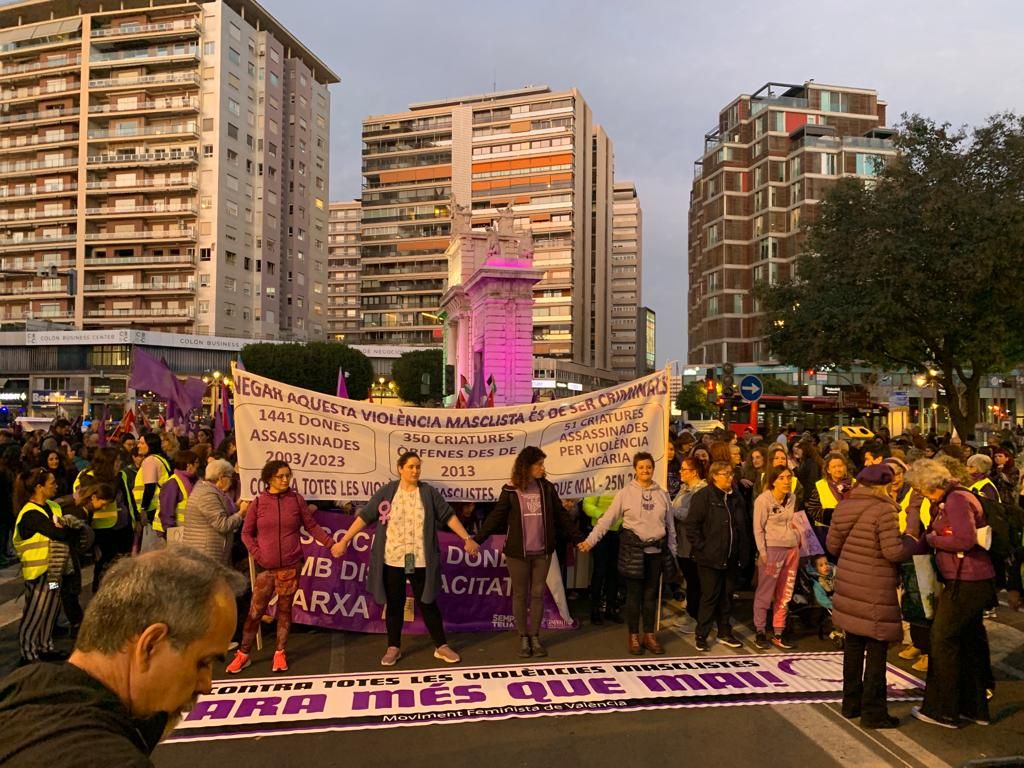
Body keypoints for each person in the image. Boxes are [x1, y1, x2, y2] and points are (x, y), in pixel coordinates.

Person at [0, 548, 243, 767]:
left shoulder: (20, 689)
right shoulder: (108, 759)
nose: (206, 685)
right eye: (203, 662)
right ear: (149, 646)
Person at [337, 452, 476, 665]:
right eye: (411, 466)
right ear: (400, 468)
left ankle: (441, 646)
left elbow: (448, 516)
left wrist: (466, 538)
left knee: (427, 601)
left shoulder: (428, 492)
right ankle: (394, 647)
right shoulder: (388, 492)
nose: (415, 470)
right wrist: (344, 540)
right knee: (395, 603)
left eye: (418, 467)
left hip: (419, 559)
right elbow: (365, 516)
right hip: (393, 558)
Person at [228, 460, 343, 674]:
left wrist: (331, 545)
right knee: (255, 611)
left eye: (288, 476)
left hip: (290, 566)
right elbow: (246, 533)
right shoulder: (258, 503)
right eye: (281, 476)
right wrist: (258, 553)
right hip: (266, 568)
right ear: (269, 478)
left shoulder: (296, 500)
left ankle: (279, 653)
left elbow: (312, 526)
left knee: (284, 611)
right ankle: (243, 654)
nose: (285, 480)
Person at [905, 459, 996, 729]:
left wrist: (933, 540)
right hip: (969, 579)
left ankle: (943, 710)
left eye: (918, 487)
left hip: (966, 580)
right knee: (967, 642)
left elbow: (965, 539)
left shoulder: (956, 500)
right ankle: (974, 708)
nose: (918, 492)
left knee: (942, 639)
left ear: (927, 484)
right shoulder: (954, 498)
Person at [827, 463, 915, 729]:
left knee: (853, 646)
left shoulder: (844, 506)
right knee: (876, 650)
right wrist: (911, 540)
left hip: (849, 583)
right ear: (884, 485)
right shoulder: (885, 510)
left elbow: (832, 546)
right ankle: (873, 712)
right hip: (875, 586)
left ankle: (850, 703)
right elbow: (892, 552)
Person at [476, 446, 583, 659]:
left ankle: (535, 636)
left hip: (542, 552)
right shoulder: (510, 490)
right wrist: (477, 540)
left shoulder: (547, 488)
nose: (543, 468)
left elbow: (562, 516)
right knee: (520, 594)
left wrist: (579, 539)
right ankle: (523, 637)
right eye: (539, 464)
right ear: (527, 466)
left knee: (537, 594)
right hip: (517, 553)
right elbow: (496, 517)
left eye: (543, 464)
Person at [581, 452, 675, 655]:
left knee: (651, 595)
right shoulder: (625, 493)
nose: (645, 470)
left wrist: (674, 553)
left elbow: (670, 526)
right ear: (635, 469)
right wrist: (590, 541)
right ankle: (633, 636)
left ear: (653, 468)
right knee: (634, 595)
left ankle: (649, 635)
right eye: (641, 467)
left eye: (648, 467)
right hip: (634, 552)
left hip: (656, 552)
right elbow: (606, 520)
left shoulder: (662, 494)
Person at [12, 468, 81, 664]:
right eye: (51, 483)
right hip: (39, 574)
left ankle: (44, 646)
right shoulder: (30, 513)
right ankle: (28, 652)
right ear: (39, 487)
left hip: (54, 574)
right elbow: (59, 533)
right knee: (37, 611)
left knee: (51, 607)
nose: (56, 485)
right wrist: (67, 529)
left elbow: (64, 530)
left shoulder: (50, 507)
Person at [684, 460, 750, 652]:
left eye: (731, 474)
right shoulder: (703, 497)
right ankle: (701, 634)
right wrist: (703, 548)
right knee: (710, 596)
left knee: (727, 596)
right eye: (725, 474)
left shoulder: (735, 497)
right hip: (709, 558)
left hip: (730, 556)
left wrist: (743, 553)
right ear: (714, 476)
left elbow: (742, 526)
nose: (730, 477)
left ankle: (724, 631)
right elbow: (692, 526)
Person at [752, 465, 802, 650]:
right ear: (773, 480)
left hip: (791, 550)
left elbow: (793, 522)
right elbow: (758, 528)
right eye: (782, 478)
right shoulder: (763, 500)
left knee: (785, 593)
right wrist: (762, 552)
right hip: (772, 550)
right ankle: (760, 630)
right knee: (765, 592)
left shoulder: (792, 498)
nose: (787, 481)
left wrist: (797, 540)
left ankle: (779, 631)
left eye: (788, 477)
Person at [74, 446, 135, 591]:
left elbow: (128, 498)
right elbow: (106, 495)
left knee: (123, 565)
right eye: (116, 461)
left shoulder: (120, 476)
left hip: (123, 527)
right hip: (102, 529)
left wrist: (136, 518)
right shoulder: (87, 477)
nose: (119, 464)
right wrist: (115, 479)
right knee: (104, 566)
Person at [180, 458, 246, 563]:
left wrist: (237, 506)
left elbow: (219, 511)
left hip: (206, 553)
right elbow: (222, 524)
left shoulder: (207, 490)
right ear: (221, 477)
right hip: (206, 554)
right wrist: (241, 513)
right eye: (230, 477)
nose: (232, 481)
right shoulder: (207, 495)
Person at [671, 456, 707, 633]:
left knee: (695, 582)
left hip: (693, 544)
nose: (680, 472)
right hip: (682, 542)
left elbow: (690, 515)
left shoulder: (701, 491)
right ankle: (691, 613)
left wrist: (671, 510)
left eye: (684, 469)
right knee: (690, 580)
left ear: (694, 472)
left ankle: (695, 618)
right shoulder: (684, 488)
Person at [582, 494, 621, 625]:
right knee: (600, 571)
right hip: (600, 532)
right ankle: (595, 609)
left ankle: (611, 608)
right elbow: (587, 505)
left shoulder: (625, 483)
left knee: (614, 572)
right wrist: (603, 515)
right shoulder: (600, 482)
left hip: (619, 532)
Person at [132, 433, 171, 547]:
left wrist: (143, 509)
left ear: (151, 445)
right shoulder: (161, 459)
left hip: (152, 509)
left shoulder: (150, 460)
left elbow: (149, 487)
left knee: (150, 546)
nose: (138, 445)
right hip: (159, 506)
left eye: (142, 443)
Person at [157, 450, 198, 543]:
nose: (198, 465)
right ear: (189, 465)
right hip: (177, 532)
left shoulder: (193, 481)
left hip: (189, 532)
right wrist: (171, 533)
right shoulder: (173, 483)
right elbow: (167, 510)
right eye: (196, 462)